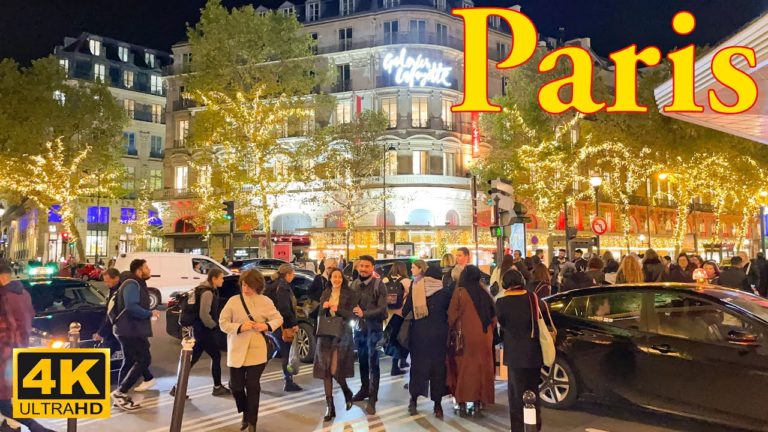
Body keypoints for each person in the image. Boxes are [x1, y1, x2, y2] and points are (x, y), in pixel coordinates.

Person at [219, 269, 283, 432]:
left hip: (257, 349)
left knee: (253, 385)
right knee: (236, 387)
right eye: (243, 285)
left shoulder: (265, 301)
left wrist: (266, 326)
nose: (245, 289)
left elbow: (278, 318)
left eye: (249, 285)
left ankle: (252, 422)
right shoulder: (234, 301)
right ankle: (245, 412)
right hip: (237, 349)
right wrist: (239, 327)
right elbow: (223, 322)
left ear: (257, 285)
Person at [0, 262, 56, 432]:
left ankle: (38, 429)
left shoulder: (4, 297)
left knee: (4, 402)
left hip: (4, 354)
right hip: (16, 353)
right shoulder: (23, 294)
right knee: (5, 401)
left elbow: (8, 329)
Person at [496, 270, 545, 432]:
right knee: (533, 391)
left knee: (516, 395)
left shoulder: (501, 302)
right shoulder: (532, 297)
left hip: (514, 353)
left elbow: (502, 325)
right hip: (533, 351)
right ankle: (534, 425)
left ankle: (517, 428)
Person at [171, 269, 230, 397]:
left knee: (192, 360)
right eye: (221, 278)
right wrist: (214, 326)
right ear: (214, 279)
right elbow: (204, 314)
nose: (223, 280)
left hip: (199, 330)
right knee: (215, 356)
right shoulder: (208, 292)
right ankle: (217, 387)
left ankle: (177, 388)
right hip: (205, 331)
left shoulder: (202, 289)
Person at [401, 261, 450, 418]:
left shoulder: (415, 289)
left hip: (419, 336)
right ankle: (437, 406)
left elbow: (404, 311)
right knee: (438, 370)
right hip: (439, 337)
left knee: (417, 369)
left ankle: (413, 401)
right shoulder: (445, 292)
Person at [447, 265, 496, 417]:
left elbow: (451, 316)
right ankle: (479, 401)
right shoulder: (485, 293)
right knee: (482, 368)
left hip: (466, 337)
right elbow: (494, 317)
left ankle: (462, 401)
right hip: (485, 337)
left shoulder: (460, 292)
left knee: (464, 369)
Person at [112, 259, 161, 411]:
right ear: (139, 270)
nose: (149, 269)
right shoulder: (132, 284)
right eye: (147, 267)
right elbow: (131, 306)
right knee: (144, 359)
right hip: (130, 330)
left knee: (130, 361)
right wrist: (149, 312)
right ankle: (120, 393)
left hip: (129, 329)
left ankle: (120, 396)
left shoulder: (133, 283)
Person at [314, 268, 358, 422]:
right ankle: (330, 407)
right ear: (330, 278)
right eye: (334, 277)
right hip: (325, 335)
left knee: (334, 369)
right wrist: (324, 307)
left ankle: (347, 392)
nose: (337, 279)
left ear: (342, 279)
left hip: (341, 335)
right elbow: (319, 316)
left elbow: (353, 315)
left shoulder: (350, 294)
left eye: (339, 277)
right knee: (326, 370)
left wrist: (337, 309)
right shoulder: (325, 293)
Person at [349, 255, 387, 415]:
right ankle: (364, 389)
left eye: (366, 266)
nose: (363, 269)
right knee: (362, 362)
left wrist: (364, 313)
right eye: (361, 266)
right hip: (359, 330)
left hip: (374, 330)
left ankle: (373, 397)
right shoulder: (354, 284)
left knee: (373, 363)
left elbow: (383, 310)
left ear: (372, 268)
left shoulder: (379, 285)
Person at [268, 265, 303, 392]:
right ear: (287, 274)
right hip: (281, 326)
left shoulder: (272, 285)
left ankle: (252, 376)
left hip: (271, 324)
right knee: (287, 354)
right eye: (293, 274)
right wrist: (293, 323)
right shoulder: (282, 287)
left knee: (275, 350)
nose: (293, 276)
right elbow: (284, 309)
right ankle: (288, 381)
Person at [383, 262, 411, 376]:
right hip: (400, 314)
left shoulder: (385, 280)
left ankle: (399, 363)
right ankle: (397, 366)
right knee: (401, 339)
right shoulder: (406, 281)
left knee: (391, 339)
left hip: (388, 315)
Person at [93, 268, 122, 349]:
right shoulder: (113, 290)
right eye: (105, 281)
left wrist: (101, 333)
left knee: (103, 355)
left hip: (114, 332)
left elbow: (110, 316)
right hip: (114, 331)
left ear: (116, 278)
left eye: (107, 281)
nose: (106, 284)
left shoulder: (118, 293)